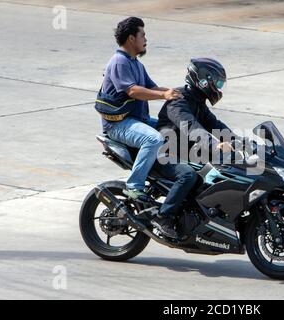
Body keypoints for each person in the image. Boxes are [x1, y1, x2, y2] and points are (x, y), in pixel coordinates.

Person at [150, 58, 238, 238]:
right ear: (204, 81)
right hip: (164, 154)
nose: (219, 87)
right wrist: (215, 145)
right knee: (188, 175)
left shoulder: (198, 102)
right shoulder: (179, 101)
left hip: (183, 152)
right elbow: (191, 127)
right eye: (218, 82)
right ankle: (164, 217)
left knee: (219, 170)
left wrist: (242, 143)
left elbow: (216, 125)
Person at [97, 17, 181, 202]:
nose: (146, 39)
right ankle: (134, 186)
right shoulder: (120, 62)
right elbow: (133, 91)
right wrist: (163, 96)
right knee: (154, 139)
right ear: (131, 38)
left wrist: (176, 93)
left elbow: (153, 88)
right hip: (118, 124)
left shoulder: (135, 63)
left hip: (137, 120)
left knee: (174, 129)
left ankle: (166, 175)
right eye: (142, 34)